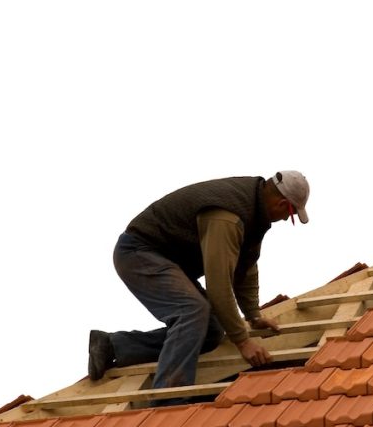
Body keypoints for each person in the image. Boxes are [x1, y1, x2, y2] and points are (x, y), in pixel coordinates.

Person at [87, 171, 310, 401]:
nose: (284, 220)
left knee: (212, 330)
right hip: (139, 253)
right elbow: (219, 284)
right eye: (289, 215)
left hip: (168, 260)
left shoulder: (254, 211)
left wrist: (253, 314)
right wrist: (243, 342)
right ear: (283, 204)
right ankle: (168, 399)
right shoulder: (228, 217)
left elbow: (246, 267)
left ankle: (114, 346)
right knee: (192, 311)